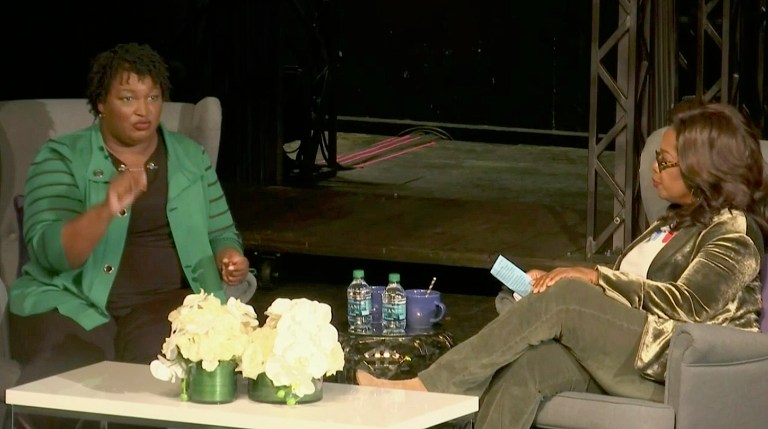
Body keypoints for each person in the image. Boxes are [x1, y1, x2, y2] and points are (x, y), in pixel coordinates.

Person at [357, 102, 767, 429]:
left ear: (701, 171)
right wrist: (557, 281)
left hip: (676, 368)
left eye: (664, 161)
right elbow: (630, 287)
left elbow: (689, 304)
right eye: (656, 158)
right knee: (529, 367)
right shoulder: (671, 222)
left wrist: (594, 279)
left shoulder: (734, 232)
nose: (653, 169)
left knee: (568, 298)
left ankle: (428, 387)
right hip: (630, 357)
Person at [9, 43, 251, 393]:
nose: (143, 110)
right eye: (128, 98)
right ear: (101, 103)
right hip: (69, 302)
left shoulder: (190, 157)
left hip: (165, 308)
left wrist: (229, 256)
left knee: (158, 375)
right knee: (71, 369)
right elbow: (52, 254)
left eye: (153, 97)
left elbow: (221, 231)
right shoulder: (60, 158)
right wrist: (105, 210)